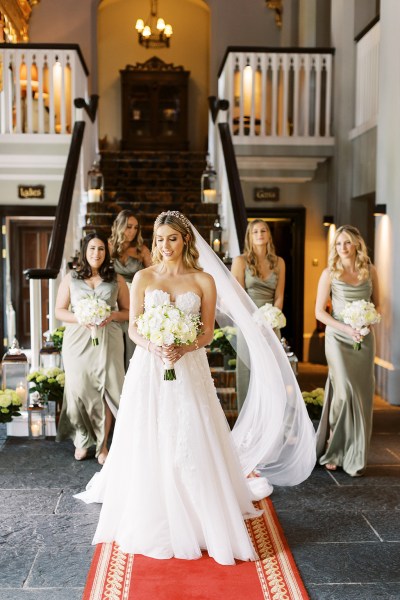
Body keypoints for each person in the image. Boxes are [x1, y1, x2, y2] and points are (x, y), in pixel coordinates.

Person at [75, 211, 316, 565]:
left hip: (189, 365)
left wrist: (184, 346)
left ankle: (199, 508)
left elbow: (206, 333)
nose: (165, 245)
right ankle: (152, 502)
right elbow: (135, 330)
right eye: (159, 239)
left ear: (186, 240)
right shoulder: (142, 277)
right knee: (150, 430)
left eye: (172, 238)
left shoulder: (204, 280)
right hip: (150, 366)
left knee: (191, 430)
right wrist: (155, 345)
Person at [56, 232, 129, 464]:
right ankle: (82, 438)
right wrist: (80, 317)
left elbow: (128, 312)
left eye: (100, 249)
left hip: (109, 337)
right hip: (78, 339)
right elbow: (59, 310)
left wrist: (110, 315)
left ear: (106, 253)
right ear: (84, 252)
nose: (96, 253)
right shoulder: (71, 278)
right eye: (92, 249)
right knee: (78, 389)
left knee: (106, 389)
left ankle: (102, 444)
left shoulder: (115, 278)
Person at [315, 225, 380, 476]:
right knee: (343, 390)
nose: (342, 247)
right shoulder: (329, 273)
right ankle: (334, 445)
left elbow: (378, 305)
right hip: (338, 340)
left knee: (361, 396)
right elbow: (319, 311)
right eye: (339, 243)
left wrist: (368, 322)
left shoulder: (370, 271)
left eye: (347, 243)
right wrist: (345, 328)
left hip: (363, 339)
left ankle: (355, 452)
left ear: (356, 245)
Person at [231, 220, 285, 411]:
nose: (260, 234)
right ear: (250, 237)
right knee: (249, 370)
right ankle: (249, 423)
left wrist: (271, 320)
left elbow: (279, 296)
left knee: (271, 373)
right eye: (255, 231)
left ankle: (271, 419)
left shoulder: (279, 262)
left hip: (271, 324)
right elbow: (237, 296)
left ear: (269, 235)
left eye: (263, 230)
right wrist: (254, 322)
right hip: (248, 323)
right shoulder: (240, 262)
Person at [108, 210, 152, 369]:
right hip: (115, 297)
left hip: (136, 299)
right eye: (128, 227)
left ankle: (132, 369)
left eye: (135, 228)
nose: (132, 231)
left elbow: (155, 275)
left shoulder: (142, 250)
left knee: (133, 334)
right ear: (119, 226)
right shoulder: (108, 247)